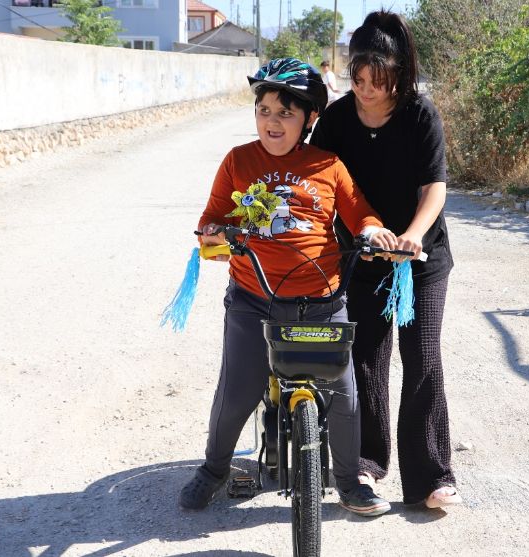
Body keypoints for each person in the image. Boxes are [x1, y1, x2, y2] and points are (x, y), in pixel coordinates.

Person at [179, 57, 396, 517]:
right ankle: (214, 469)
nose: (272, 122)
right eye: (264, 110)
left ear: (309, 118)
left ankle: (348, 483)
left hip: (321, 302)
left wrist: (374, 233)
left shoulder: (329, 166)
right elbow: (211, 219)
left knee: (343, 393)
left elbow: (363, 214)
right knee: (237, 391)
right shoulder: (239, 161)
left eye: (285, 112)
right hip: (253, 300)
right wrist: (219, 233)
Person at [310, 11, 462, 509]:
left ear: (398, 73)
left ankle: (432, 478)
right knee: (366, 360)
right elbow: (316, 184)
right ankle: (367, 465)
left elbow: (434, 187)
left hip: (421, 258)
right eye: (358, 79)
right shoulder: (335, 120)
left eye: (377, 80)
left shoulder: (421, 116)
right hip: (361, 256)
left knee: (422, 357)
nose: (366, 90)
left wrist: (413, 236)